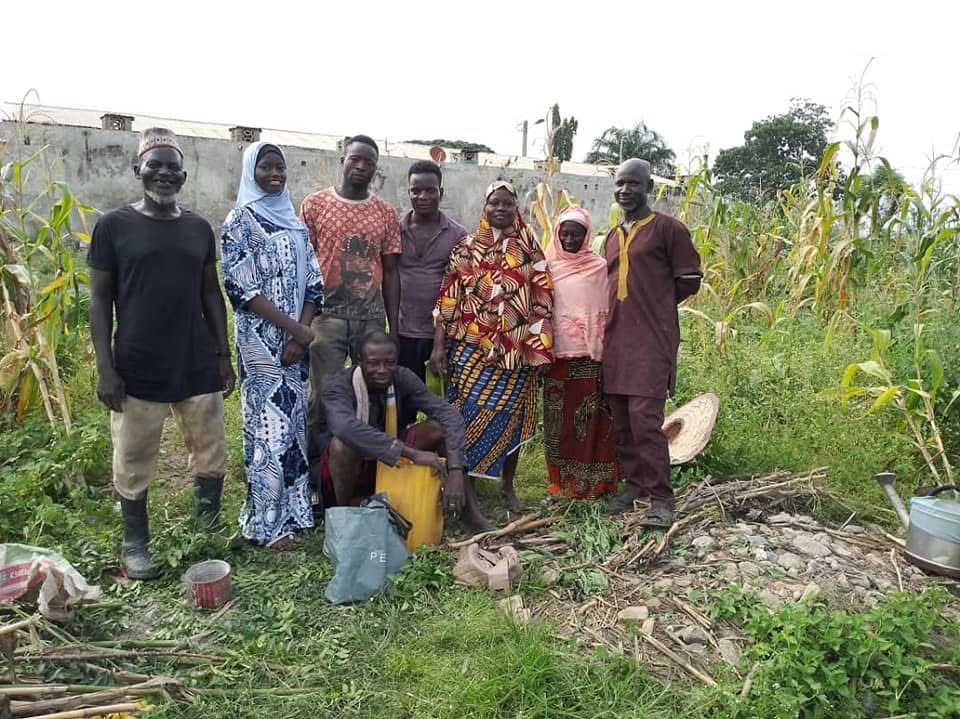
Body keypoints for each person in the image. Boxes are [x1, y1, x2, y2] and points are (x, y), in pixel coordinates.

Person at [88, 128, 235, 580]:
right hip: (138, 363)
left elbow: (212, 294)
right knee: (133, 457)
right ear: (138, 171)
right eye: (156, 165)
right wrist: (105, 368)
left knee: (210, 451)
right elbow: (99, 301)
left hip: (195, 359)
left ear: (184, 175)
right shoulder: (114, 226)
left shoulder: (197, 228)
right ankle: (136, 542)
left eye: (173, 166)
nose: (164, 173)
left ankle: (205, 528)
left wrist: (222, 354)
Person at [221, 142, 324, 550]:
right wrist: (293, 331)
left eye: (279, 167)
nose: (274, 174)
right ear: (251, 172)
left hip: (298, 342)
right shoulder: (240, 221)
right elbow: (242, 289)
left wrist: (304, 329)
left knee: (294, 426)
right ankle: (267, 522)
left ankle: (297, 511)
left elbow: (314, 281)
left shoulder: (296, 223)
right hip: (261, 345)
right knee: (268, 431)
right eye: (265, 167)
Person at [431, 180, 553, 519]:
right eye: (494, 203)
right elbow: (447, 299)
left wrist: (541, 351)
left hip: (515, 351)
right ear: (484, 208)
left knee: (509, 417)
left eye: (507, 204)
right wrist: (439, 347)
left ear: (516, 209)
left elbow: (544, 302)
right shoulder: (466, 248)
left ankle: (508, 485)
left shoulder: (530, 251)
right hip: (471, 349)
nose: (500, 209)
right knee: (468, 415)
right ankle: (467, 486)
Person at [603, 159, 702, 527]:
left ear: (648, 188)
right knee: (622, 421)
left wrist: (657, 305)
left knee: (646, 421)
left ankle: (662, 499)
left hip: (651, 341)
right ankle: (635, 486)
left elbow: (689, 279)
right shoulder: (612, 236)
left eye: (633, 184)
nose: (625, 190)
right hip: (615, 340)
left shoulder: (668, 230)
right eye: (620, 183)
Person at [300, 135, 401, 482]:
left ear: (375, 168)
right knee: (325, 397)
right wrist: (304, 319)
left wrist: (392, 325)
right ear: (343, 159)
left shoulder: (385, 213)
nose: (360, 166)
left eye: (368, 162)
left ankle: (364, 472)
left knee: (370, 397)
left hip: (370, 319)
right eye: (355, 159)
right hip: (326, 318)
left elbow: (390, 271)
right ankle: (317, 474)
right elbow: (302, 264)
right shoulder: (314, 205)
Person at [314, 331, 484, 526]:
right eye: (373, 363)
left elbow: (449, 415)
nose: (382, 370)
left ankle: (468, 511)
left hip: (388, 460)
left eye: (389, 362)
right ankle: (344, 515)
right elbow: (346, 428)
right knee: (342, 445)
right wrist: (411, 453)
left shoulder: (402, 377)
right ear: (359, 361)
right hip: (345, 472)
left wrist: (455, 470)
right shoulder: (338, 386)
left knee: (438, 428)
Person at [542, 205, 620, 499]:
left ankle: (595, 486)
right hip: (557, 358)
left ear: (587, 236)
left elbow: (607, 308)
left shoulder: (599, 267)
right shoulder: (548, 266)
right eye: (565, 233)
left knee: (592, 424)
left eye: (577, 233)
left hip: (591, 358)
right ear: (557, 234)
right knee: (558, 425)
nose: (570, 239)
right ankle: (561, 486)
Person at [397, 160, 466, 387]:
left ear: (441, 193)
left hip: (441, 337)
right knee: (400, 403)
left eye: (430, 190)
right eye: (416, 191)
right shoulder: (395, 230)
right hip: (402, 332)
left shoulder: (457, 235)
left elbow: (456, 291)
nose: (423, 197)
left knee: (438, 403)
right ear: (409, 192)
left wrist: (440, 343)